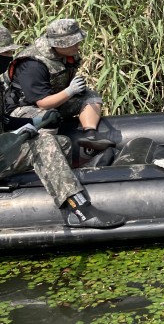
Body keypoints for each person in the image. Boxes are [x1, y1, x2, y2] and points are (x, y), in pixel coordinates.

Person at [0, 24, 126, 228]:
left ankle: (82, 165)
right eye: (5, 53)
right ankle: (78, 209)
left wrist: (29, 124)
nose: (9, 57)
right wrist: (18, 134)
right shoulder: (32, 64)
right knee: (44, 143)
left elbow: (4, 121)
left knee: (64, 144)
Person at [3, 18, 114, 151]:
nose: (78, 44)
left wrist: (75, 89)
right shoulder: (32, 64)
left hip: (54, 101)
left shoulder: (67, 55)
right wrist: (69, 92)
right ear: (59, 44)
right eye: (73, 42)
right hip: (22, 109)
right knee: (49, 117)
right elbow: (43, 103)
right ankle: (45, 151)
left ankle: (90, 136)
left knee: (90, 96)